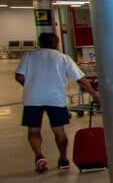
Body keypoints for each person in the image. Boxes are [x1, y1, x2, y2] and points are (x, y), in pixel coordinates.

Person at [16, 32, 100, 173]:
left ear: (39, 42)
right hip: (56, 98)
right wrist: (95, 95)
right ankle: (63, 159)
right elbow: (81, 80)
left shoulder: (29, 56)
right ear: (56, 43)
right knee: (58, 130)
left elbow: (19, 76)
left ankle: (39, 156)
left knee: (33, 129)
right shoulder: (63, 58)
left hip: (33, 98)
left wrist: (31, 86)